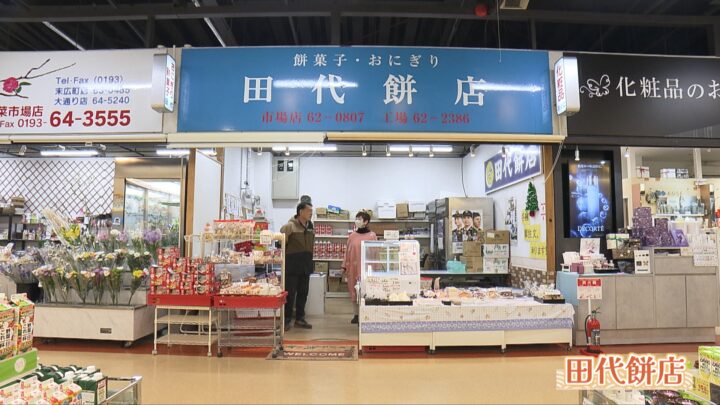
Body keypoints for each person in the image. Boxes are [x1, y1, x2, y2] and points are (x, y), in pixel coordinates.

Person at [280, 202, 315, 330]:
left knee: (303, 293)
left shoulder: (310, 226)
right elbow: (281, 243)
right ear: (301, 212)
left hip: (306, 265)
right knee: (290, 294)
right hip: (292, 266)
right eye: (309, 210)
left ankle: (300, 319)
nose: (311, 213)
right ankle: (286, 320)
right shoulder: (289, 226)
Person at [341, 211, 378, 324]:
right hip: (353, 267)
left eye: (360, 219)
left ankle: (366, 314)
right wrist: (344, 266)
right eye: (356, 218)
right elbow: (347, 252)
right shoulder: (352, 236)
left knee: (367, 290)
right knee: (354, 290)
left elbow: (376, 253)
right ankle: (356, 314)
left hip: (367, 268)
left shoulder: (372, 236)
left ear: (366, 222)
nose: (357, 220)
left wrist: (376, 268)